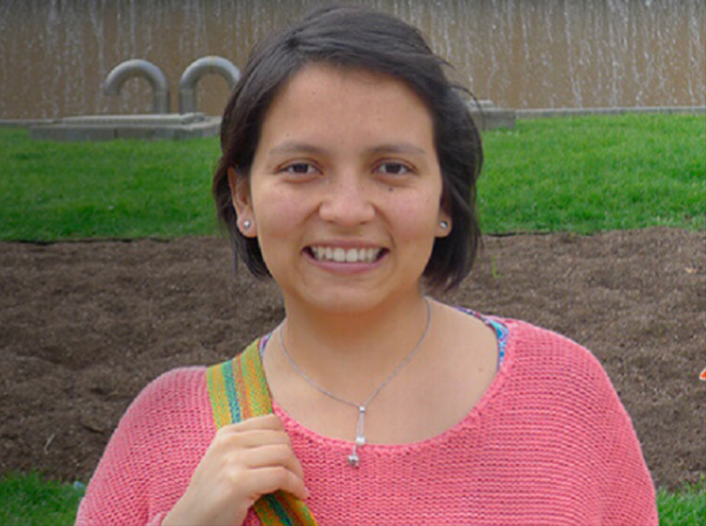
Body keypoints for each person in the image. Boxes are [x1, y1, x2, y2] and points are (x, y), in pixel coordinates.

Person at [75, 6, 657, 525]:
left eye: (392, 168)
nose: (347, 210)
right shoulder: (166, 430)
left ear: (445, 199)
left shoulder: (563, 393)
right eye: (301, 168)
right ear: (244, 198)